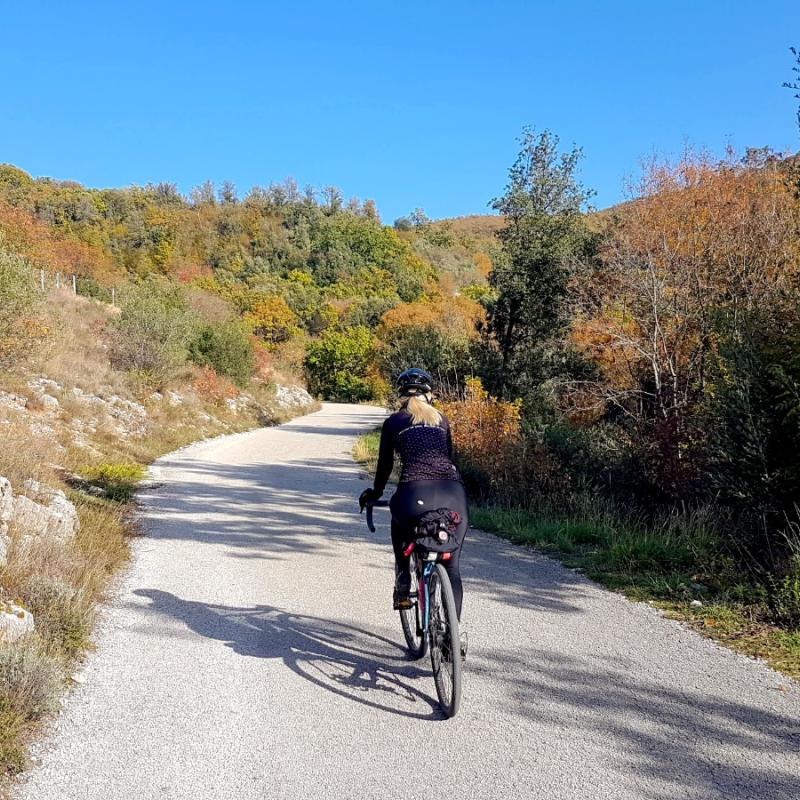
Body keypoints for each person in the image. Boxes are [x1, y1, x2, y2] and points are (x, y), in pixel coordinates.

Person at [359, 368, 470, 628]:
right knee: (452, 567)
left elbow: (384, 466)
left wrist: (374, 494)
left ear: (400, 396)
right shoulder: (441, 419)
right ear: (430, 395)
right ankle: (452, 634)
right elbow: (448, 457)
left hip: (413, 492)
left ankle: (403, 579)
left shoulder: (394, 422)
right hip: (453, 493)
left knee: (399, 522)